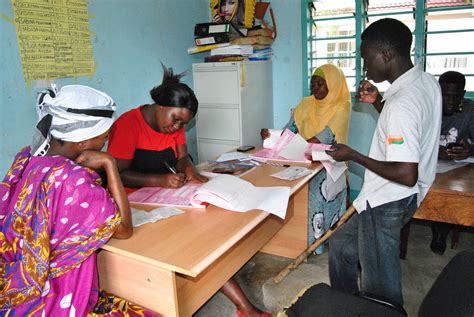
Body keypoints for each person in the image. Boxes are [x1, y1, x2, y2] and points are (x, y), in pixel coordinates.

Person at [107, 65, 270, 317]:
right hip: (133, 203)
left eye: (183, 123)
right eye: (175, 120)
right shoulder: (128, 124)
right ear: (160, 105)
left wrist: (190, 171)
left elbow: (182, 159)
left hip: (164, 196)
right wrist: (158, 179)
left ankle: (242, 306)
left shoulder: (174, 124)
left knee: (206, 238)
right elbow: (117, 175)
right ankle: (243, 307)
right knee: (190, 245)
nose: (177, 127)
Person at [0, 85, 154, 316]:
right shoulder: (73, 179)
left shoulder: (26, 157)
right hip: (56, 290)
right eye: (104, 136)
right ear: (83, 142)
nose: (105, 141)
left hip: (17, 274)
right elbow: (123, 230)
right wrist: (110, 165)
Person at [326, 18, 442, 306]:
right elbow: (409, 127)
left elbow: (405, 172)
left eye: (366, 58)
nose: (363, 66)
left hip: (388, 200)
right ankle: (347, 306)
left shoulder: (403, 102)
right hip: (396, 196)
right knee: (341, 244)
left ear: (386, 55)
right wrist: (378, 104)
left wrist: (352, 154)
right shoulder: (425, 82)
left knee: (379, 284)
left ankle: (378, 311)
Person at [261, 63, 351, 254]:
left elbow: (327, 136)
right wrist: (273, 136)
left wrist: (299, 146)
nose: (315, 88)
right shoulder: (305, 103)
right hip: (302, 156)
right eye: (313, 84)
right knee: (277, 180)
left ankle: (315, 244)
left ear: (332, 85)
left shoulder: (342, 105)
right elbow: (289, 130)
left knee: (314, 189)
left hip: (330, 162)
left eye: (320, 83)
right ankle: (288, 242)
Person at [431, 71, 474, 255]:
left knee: (454, 191)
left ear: (463, 95)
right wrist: (432, 149)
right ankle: (439, 231)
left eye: (454, 97)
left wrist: (469, 150)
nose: (449, 101)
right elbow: (409, 140)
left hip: (457, 166)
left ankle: (441, 232)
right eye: (444, 95)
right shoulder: (428, 107)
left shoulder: (470, 110)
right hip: (429, 164)